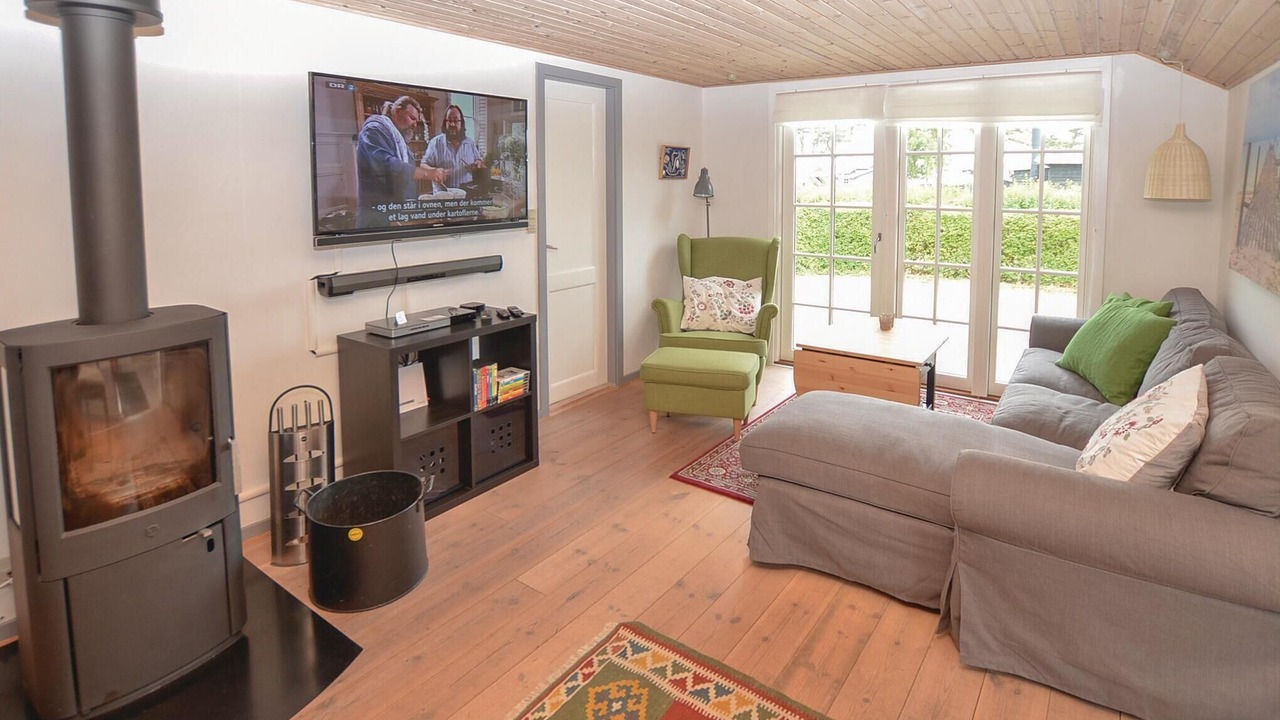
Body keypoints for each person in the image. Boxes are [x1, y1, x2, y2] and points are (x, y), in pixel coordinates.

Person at [355, 96, 445, 227]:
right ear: (397, 111)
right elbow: (385, 164)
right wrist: (426, 174)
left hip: (397, 211)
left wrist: (430, 170)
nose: (415, 124)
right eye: (412, 118)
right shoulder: (374, 130)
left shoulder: (398, 138)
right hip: (377, 214)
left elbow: (408, 166)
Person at [421, 104, 485, 192]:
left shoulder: (470, 143)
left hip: (466, 194)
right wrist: (434, 171)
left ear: (461, 123)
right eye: (449, 120)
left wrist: (478, 163)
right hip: (443, 195)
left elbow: (479, 161)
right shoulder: (435, 143)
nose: (452, 124)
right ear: (445, 123)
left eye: (456, 120)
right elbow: (423, 165)